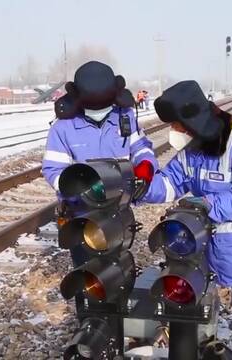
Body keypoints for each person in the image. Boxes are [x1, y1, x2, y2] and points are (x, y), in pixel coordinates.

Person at [140, 80, 232, 360]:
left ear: (191, 122)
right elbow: (171, 183)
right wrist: (141, 187)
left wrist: (209, 204)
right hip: (219, 245)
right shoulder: (193, 150)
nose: (173, 132)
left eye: (176, 125)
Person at [42, 61, 158, 263]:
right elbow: (53, 169)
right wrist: (81, 189)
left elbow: (140, 148)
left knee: (116, 269)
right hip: (81, 214)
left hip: (118, 209)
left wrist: (146, 167)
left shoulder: (125, 117)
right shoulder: (63, 128)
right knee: (87, 270)